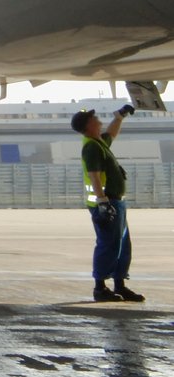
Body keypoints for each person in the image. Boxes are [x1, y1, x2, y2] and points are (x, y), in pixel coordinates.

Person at [73, 104, 145, 302]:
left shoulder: (99, 143)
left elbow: (111, 134)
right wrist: (103, 202)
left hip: (115, 202)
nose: (99, 121)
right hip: (107, 203)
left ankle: (120, 285)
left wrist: (119, 117)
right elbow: (94, 176)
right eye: (94, 119)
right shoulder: (91, 147)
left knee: (122, 245)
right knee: (108, 245)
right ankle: (100, 288)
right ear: (88, 126)